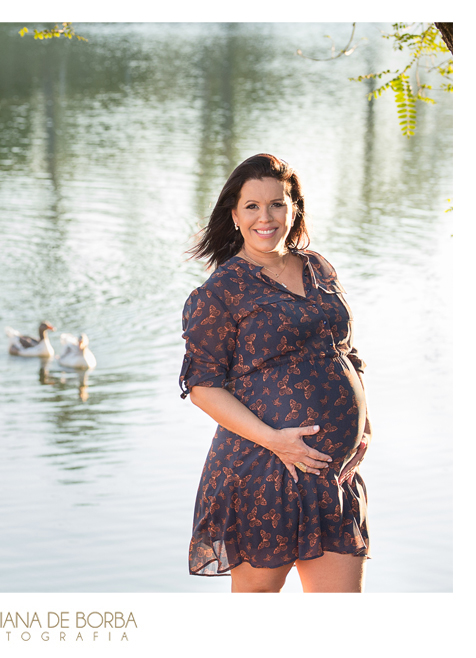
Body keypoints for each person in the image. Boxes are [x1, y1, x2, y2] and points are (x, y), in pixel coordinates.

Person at [179, 154, 371, 593]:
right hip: (264, 470)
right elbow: (203, 388)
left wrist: (364, 427)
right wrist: (275, 440)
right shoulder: (220, 293)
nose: (266, 217)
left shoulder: (318, 269)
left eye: (277, 204)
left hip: (332, 473)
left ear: (294, 208)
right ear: (234, 214)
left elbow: (344, 351)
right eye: (252, 206)